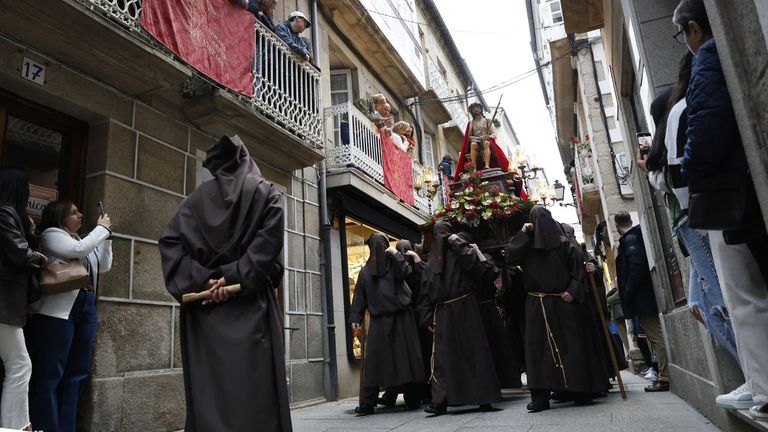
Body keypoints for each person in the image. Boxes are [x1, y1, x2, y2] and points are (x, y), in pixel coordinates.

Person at [673, 0, 768, 419]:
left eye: (683, 35)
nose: (686, 44)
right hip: (743, 182)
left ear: (694, 28)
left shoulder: (707, 59)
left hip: (730, 191)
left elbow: (707, 129)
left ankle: (763, 388)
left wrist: (687, 168)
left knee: (743, 295)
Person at [637, 49, 748, 407]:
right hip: (691, 225)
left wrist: (651, 172)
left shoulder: (678, 123)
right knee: (704, 303)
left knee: (719, 300)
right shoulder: (678, 122)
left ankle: (755, 374)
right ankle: (752, 372)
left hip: (695, 221)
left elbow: (676, 178)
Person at [159, 135, 290, 431]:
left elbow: (169, 245)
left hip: (204, 313)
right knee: (255, 395)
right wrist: (230, 278)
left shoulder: (192, 203)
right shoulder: (268, 194)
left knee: (210, 395)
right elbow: (267, 254)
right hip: (251, 305)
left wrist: (205, 281)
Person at [505, 206, 609, 412]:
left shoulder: (565, 245)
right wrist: (523, 234)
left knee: (572, 347)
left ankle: (579, 390)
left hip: (564, 303)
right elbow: (510, 257)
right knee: (538, 351)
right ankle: (541, 397)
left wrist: (573, 290)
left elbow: (578, 271)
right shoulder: (526, 245)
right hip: (537, 303)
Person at [25, 200, 112, 432]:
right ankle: (46, 427)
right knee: (50, 374)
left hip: (86, 307)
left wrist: (107, 238)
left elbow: (103, 265)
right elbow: (77, 251)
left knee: (76, 374)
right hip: (56, 312)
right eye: (74, 212)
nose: (80, 215)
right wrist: (100, 229)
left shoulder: (81, 239)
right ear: (59, 216)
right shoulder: (52, 235)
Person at [418, 221, 501, 415]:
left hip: (466, 307)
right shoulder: (431, 262)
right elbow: (425, 292)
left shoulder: (462, 253)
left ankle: (484, 397)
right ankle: (440, 400)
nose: (442, 239)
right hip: (443, 311)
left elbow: (477, 266)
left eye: (445, 234)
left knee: (476, 352)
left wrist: (458, 243)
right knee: (443, 357)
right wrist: (426, 316)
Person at [349, 234, 424, 415]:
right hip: (384, 320)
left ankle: (409, 399)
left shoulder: (391, 265)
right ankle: (370, 403)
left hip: (400, 319)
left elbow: (407, 272)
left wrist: (395, 254)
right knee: (377, 362)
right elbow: (360, 296)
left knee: (402, 360)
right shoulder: (366, 272)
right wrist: (355, 319)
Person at [0, 167, 46, 431]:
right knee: (19, 364)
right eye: (26, 188)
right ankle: (17, 427)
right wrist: (39, 258)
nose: (28, 194)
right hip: (4, 302)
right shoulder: (5, 212)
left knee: (17, 364)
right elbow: (19, 252)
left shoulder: (12, 215)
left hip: (8, 302)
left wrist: (31, 230)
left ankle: (18, 426)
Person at [613, 211, 669, 392]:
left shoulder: (630, 241)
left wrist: (628, 292)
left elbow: (636, 266)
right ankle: (663, 375)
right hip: (643, 297)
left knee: (656, 336)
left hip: (642, 298)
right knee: (654, 336)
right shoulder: (634, 238)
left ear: (617, 226)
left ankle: (665, 377)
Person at [475, 250, 524, 389]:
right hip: (485, 309)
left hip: (496, 311)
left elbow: (492, 273)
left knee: (502, 345)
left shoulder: (506, 270)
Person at [453, 102, 510, 180]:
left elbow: (493, 135)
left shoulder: (488, 121)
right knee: (473, 144)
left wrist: (487, 136)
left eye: (477, 108)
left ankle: (487, 165)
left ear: (481, 109)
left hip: (486, 141)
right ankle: (474, 167)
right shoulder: (471, 124)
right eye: (473, 109)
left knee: (486, 143)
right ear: (471, 112)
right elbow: (469, 137)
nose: (475, 109)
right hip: (476, 141)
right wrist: (477, 139)